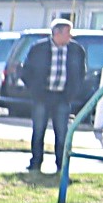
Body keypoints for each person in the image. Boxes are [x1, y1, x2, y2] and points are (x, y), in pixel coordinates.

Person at [21, 17, 86, 172]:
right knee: (38, 130)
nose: (70, 36)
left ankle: (61, 166)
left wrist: (72, 93)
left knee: (62, 133)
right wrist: (35, 91)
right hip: (42, 97)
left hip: (63, 98)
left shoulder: (76, 50)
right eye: (68, 33)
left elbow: (81, 73)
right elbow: (26, 71)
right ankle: (35, 163)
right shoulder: (39, 48)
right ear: (57, 33)